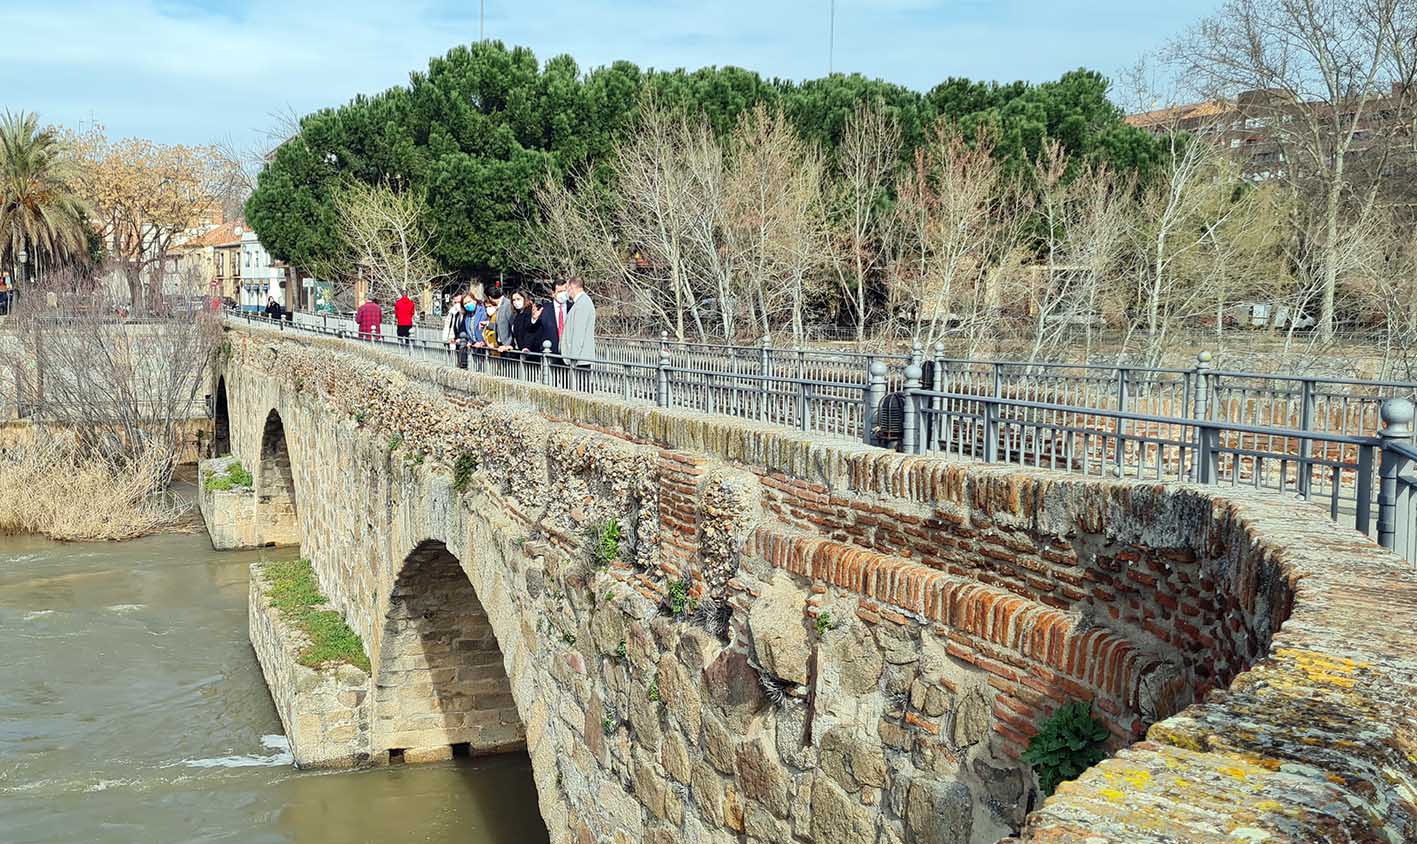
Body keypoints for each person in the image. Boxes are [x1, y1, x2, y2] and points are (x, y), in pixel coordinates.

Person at [560, 276, 596, 389]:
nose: (566, 291)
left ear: (572, 287)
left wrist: (573, 359)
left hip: (579, 360)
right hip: (579, 359)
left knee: (580, 390)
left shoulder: (582, 304)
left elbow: (578, 335)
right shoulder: (581, 303)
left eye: (567, 288)